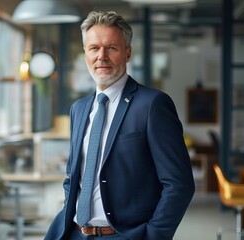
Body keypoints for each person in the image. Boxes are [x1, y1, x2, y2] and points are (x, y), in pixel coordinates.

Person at [44, 11, 195, 240]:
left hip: (123, 235)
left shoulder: (152, 105)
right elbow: (73, 177)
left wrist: (153, 236)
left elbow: (179, 183)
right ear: (85, 53)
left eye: (111, 48)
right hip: (73, 233)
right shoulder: (79, 108)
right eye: (94, 48)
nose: (101, 56)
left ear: (127, 53)